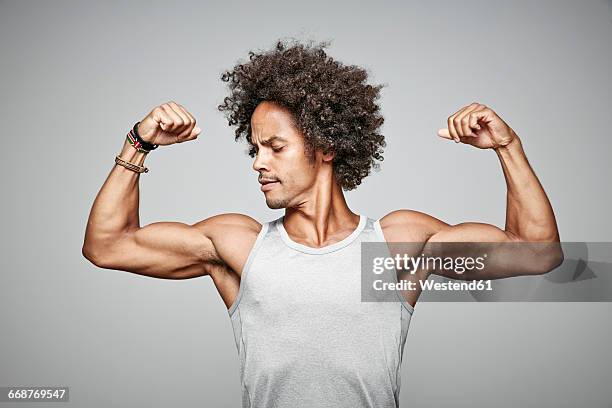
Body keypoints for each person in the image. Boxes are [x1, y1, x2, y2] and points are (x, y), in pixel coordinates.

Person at [82, 40, 563, 408]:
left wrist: (508, 146)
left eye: (275, 146)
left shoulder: (393, 246)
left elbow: (538, 252)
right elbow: (107, 245)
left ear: (326, 146)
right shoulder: (239, 246)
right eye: (254, 149)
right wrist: (138, 143)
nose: (258, 163)